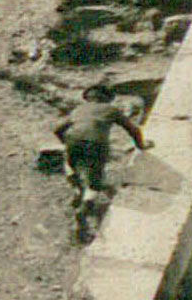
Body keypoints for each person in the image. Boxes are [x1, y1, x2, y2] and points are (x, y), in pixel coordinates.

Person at [59, 79, 148, 235]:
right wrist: (141, 146)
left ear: (87, 98)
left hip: (73, 140)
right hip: (96, 144)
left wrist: (67, 143)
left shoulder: (78, 110)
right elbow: (133, 130)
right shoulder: (111, 110)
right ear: (107, 98)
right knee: (95, 182)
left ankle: (77, 189)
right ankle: (83, 211)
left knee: (70, 164)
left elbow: (57, 129)